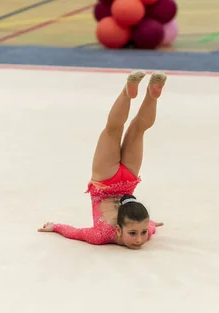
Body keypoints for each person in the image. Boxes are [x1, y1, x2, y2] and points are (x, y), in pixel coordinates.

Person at [37, 70, 167, 249]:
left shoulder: (116, 231)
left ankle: (144, 94)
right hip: (116, 181)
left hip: (113, 180)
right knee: (131, 130)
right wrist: (149, 224)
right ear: (119, 230)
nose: (139, 239)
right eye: (135, 233)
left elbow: (75, 232)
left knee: (116, 130)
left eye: (142, 232)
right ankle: (148, 95)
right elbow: (75, 232)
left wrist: (149, 224)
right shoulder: (105, 233)